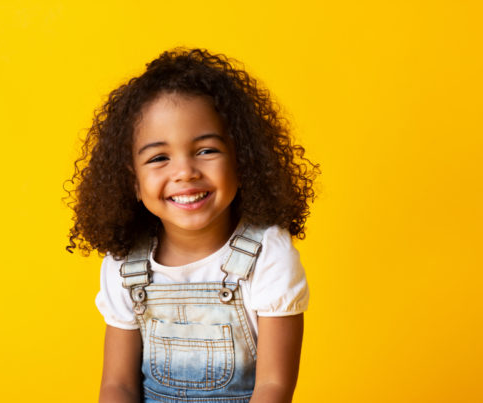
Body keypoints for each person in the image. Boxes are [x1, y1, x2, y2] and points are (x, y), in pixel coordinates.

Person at [65, 48, 319, 403]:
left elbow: (273, 387)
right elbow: (117, 386)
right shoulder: (125, 264)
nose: (185, 172)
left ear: (242, 159)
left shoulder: (268, 256)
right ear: (134, 182)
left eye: (206, 151)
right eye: (159, 158)